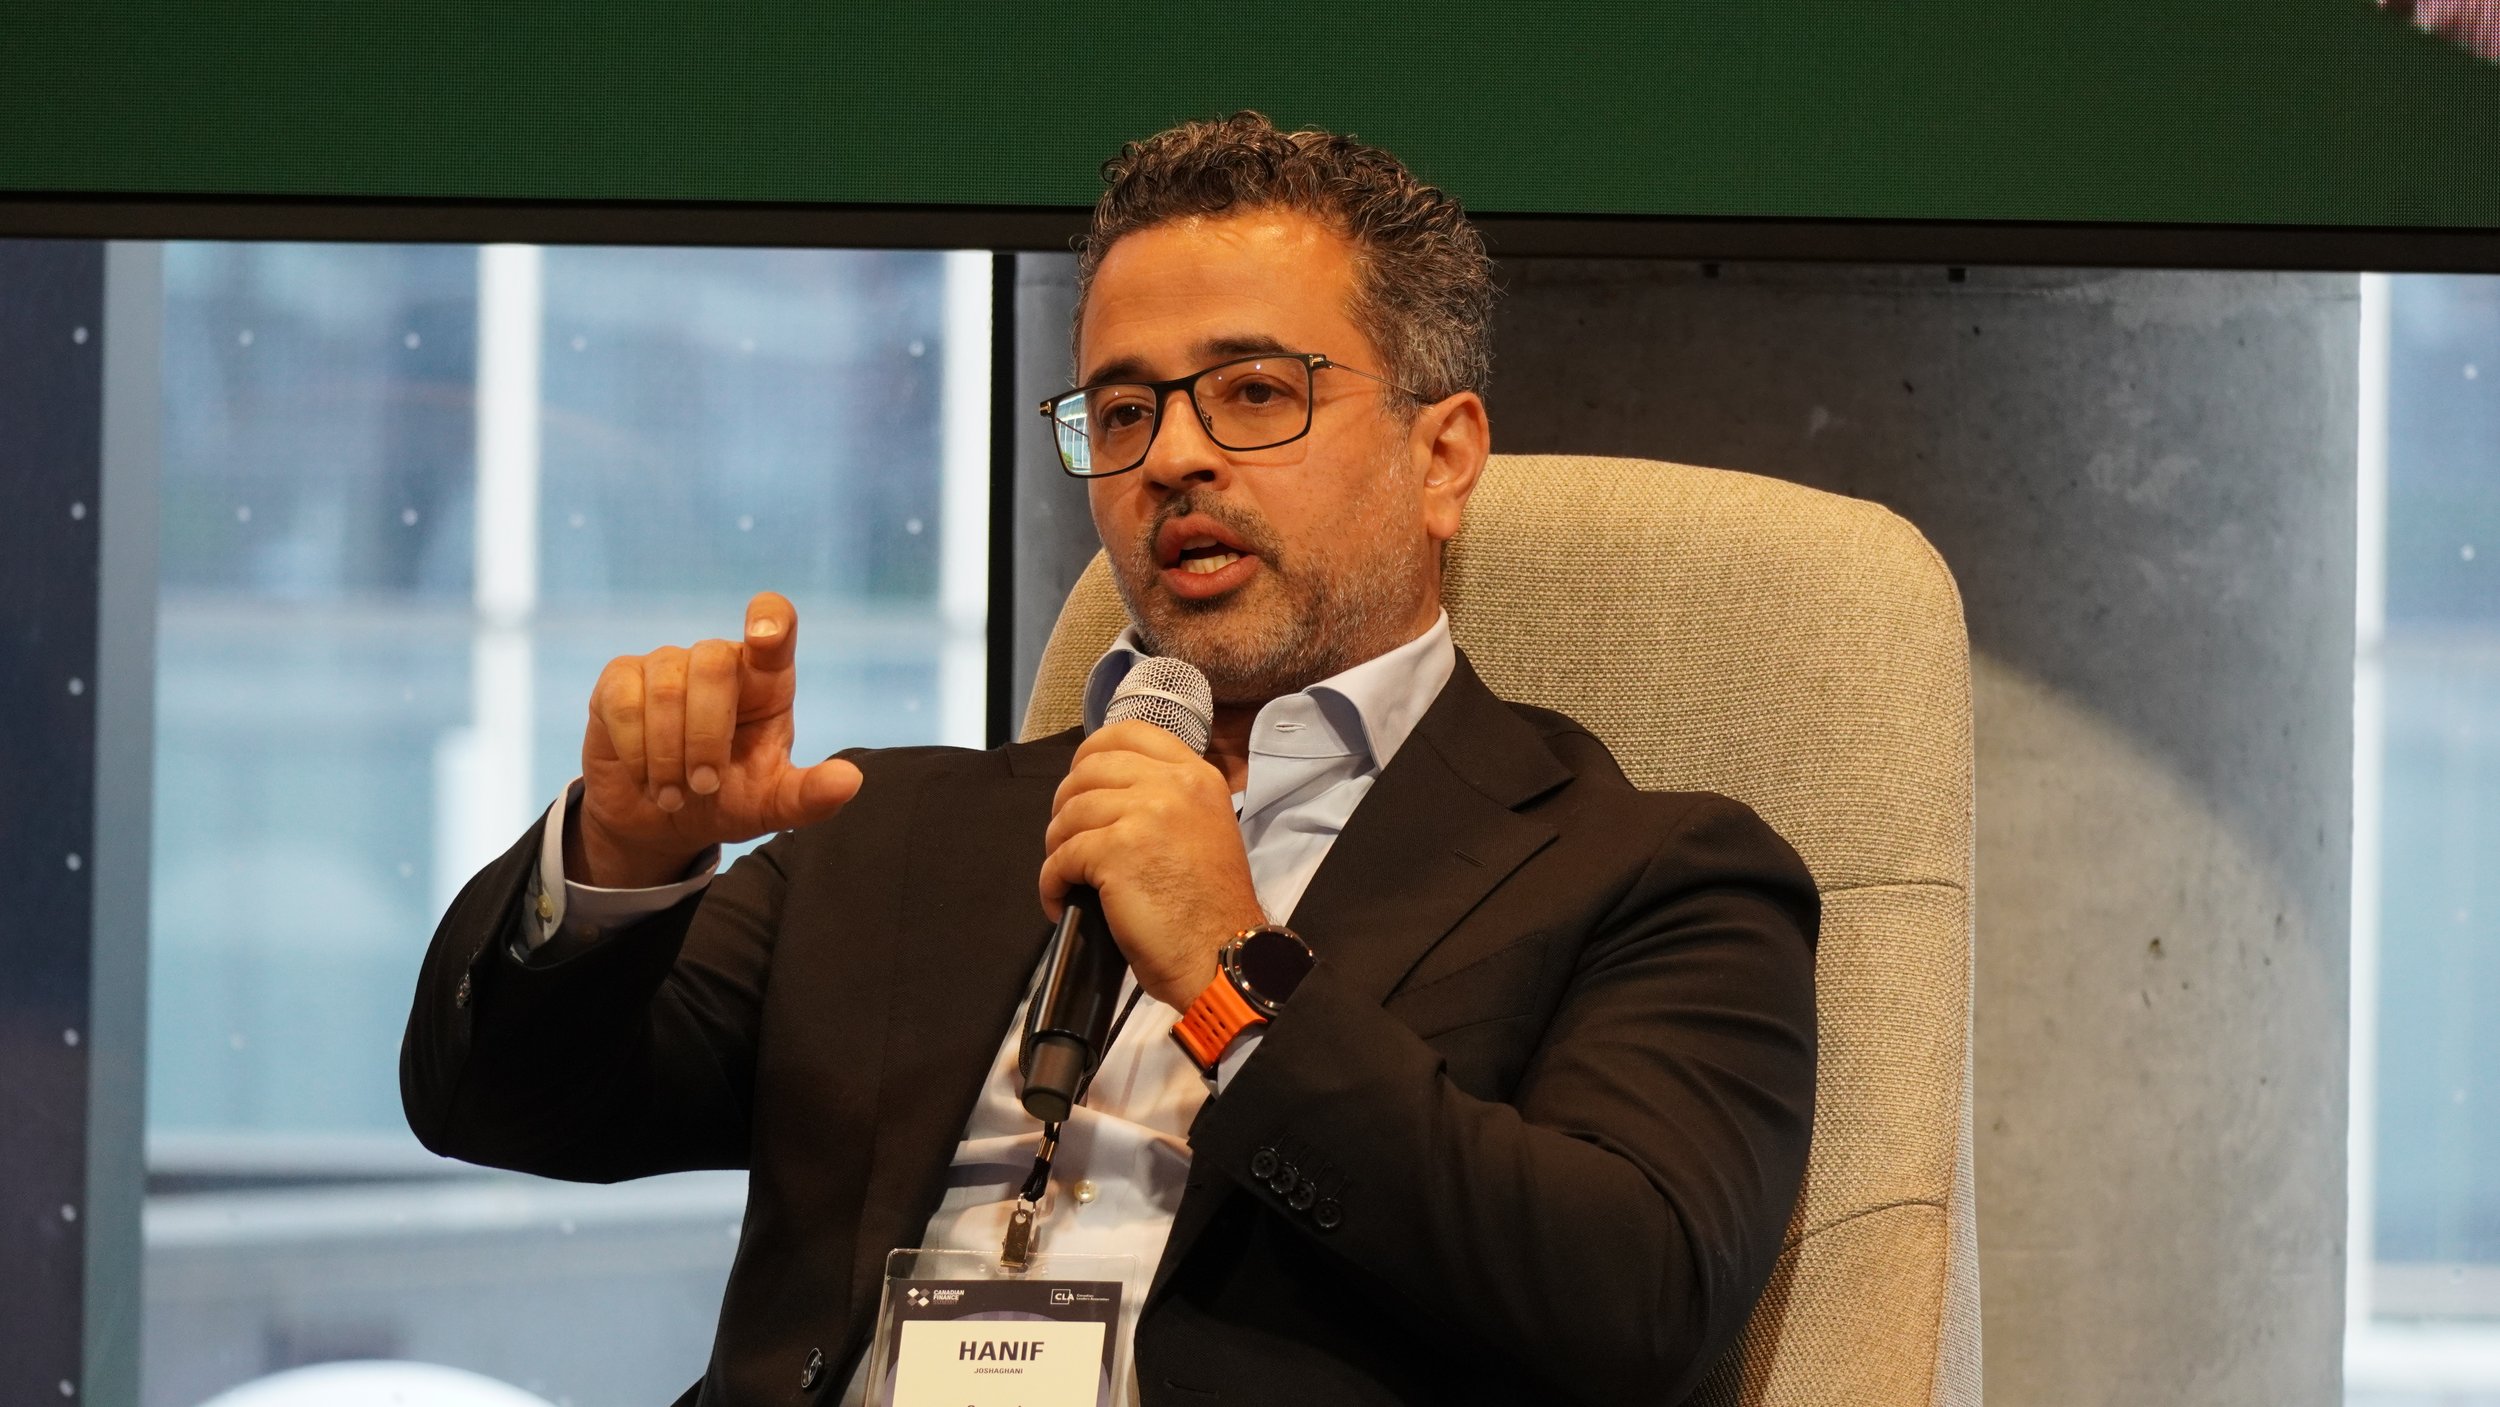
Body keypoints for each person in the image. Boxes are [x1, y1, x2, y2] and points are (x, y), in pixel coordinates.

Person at [401, 112, 1818, 1407]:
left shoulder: (1650, 876)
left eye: (1255, 392)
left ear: (1442, 456)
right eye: (1125, 412)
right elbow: (501, 1102)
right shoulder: (892, 828)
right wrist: (620, 860)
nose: (1174, 459)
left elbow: (1633, 1306)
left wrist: (1232, 977)